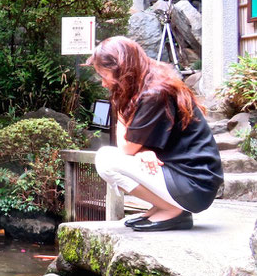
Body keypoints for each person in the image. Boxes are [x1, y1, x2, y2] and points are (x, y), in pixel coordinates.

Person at [87, 36, 223, 231]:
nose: (103, 83)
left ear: (121, 69)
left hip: (194, 185)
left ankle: (173, 211)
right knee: (111, 158)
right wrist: (143, 151)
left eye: (104, 75)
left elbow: (126, 147)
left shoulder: (155, 93)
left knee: (106, 160)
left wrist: (118, 104)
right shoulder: (153, 81)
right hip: (189, 181)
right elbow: (150, 140)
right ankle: (161, 206)